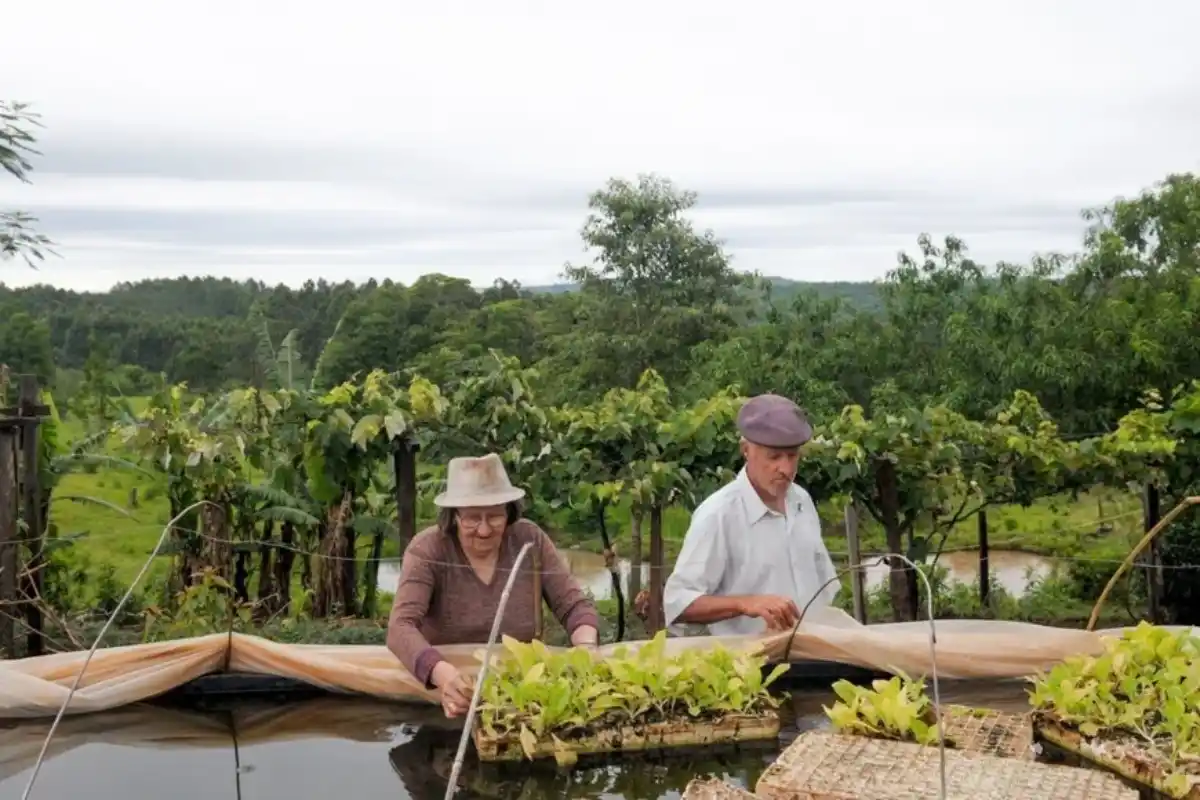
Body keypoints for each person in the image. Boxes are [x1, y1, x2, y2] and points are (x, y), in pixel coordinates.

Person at [386, 453, 601, 718]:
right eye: (472, 518)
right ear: (454, 516)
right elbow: (400, 627)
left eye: (495, 516)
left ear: (509, 513)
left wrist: (586, 648)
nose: (485, 530)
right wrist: (443, 676)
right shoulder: (428, 550)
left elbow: (573, 605)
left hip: (524, 695)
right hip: (446, 695)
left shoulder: (529, 540)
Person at [663, 393, 840, 636]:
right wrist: (745, 603)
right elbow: (678, 602)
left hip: (813, 659)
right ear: (746, 450)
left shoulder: (802, 501)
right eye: (774, 457)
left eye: (792, 456)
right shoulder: (718, 515)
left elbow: (822, 590)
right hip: (751, 668)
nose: (786, 469)